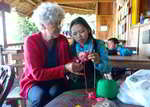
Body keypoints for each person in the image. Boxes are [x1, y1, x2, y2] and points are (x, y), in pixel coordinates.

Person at [20, 2, 83, 107]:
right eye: (54, 23)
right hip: (34, 82)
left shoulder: (62, 39)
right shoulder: (31, 41)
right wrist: (65, 68)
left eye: (60, 23)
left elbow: (67, 61)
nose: (59, 27)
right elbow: (37, 74)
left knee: (58, 92)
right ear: (42, 25)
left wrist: (77, 61)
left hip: (55, 80)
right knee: (40, 97)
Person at [67, 17, 112, 90]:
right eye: (75, 33)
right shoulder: (70, 48)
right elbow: (65, 68)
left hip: (95, 84)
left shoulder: (98, 44)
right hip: (75, 85)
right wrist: (70, 68)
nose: (79, 36)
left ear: (88, 30)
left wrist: (98, 61)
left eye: (82, 31)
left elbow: (108, 69)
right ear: (71, 35)